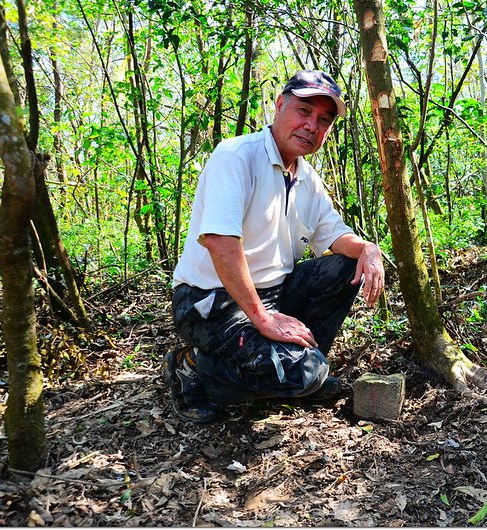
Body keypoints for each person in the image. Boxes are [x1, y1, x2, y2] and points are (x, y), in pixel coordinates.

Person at [164, 70, 385, 424]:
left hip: (275, 293)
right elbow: (221, 241)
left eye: (324, 120)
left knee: (345, 267)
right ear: (280, 105)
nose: (312, 125)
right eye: (304, 111)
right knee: (305, 375)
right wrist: (262, 318)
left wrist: (368, 249)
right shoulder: (237, 156)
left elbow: (333, 234)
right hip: (213, 301)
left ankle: (291, 371)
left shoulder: (306, 178)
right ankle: (192, 367)